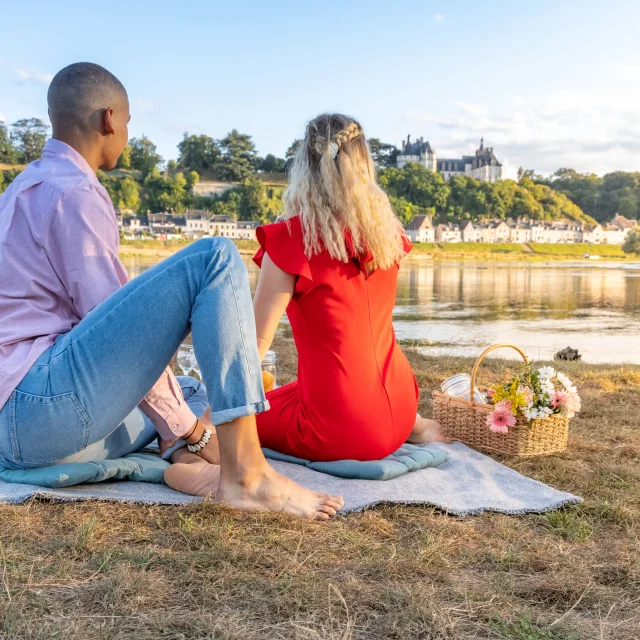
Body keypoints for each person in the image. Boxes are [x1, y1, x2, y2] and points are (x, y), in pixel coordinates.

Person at [0, 63, 342, 521]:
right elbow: (113, 328)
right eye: (127, 124)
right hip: (37, 412)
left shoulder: (21, 187)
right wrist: (195, 435)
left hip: (20, 421)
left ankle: (176, 455)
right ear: (109, 120)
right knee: (216, 258)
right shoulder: (73, 192)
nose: (124, 133)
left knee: (187, 388)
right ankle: (245, 473)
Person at [250, 114, 450, 462]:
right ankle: (412, 426)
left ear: (304, 167)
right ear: (364, 165)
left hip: (340, 428)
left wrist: (213, 417)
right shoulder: (387, 236)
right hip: (401, 401)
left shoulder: (292, 240)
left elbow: (254, 345)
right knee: (295, 391)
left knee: (242, 418)